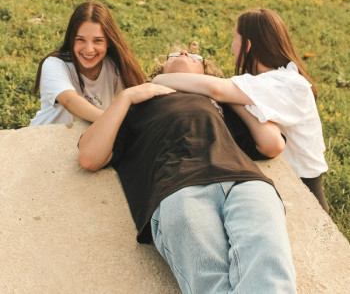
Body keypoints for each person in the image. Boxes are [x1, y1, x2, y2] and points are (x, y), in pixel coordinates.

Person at [78, 47, 297, 294]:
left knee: (270, 272)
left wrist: (230, 96)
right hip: (179, 188)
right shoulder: (140, 106)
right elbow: (89, 157)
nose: (184, 52)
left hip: (245, 182)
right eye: (174, 53)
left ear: (204, 72)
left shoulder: (219, 105)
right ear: (161, 70)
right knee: (211, 284)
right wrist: (126, 98)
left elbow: (271, 144)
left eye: (195, 56)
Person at [154, 8, 329, 213]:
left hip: (303, 189)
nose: (231, 48)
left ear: (247, 44)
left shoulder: (285, 83)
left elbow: (217, 89)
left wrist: (159, 79)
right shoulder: (270, 81)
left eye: (234, 39)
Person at [30, 1, 145, 126]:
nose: (89, 49)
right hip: (47, 138)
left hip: (90, 140)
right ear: (71, 40)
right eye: (80, 40)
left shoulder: (114, 66)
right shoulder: (54, 64)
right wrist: (115, 122)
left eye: (98, 40)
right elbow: (69, 100)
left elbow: (138, 99)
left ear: (109, 41)